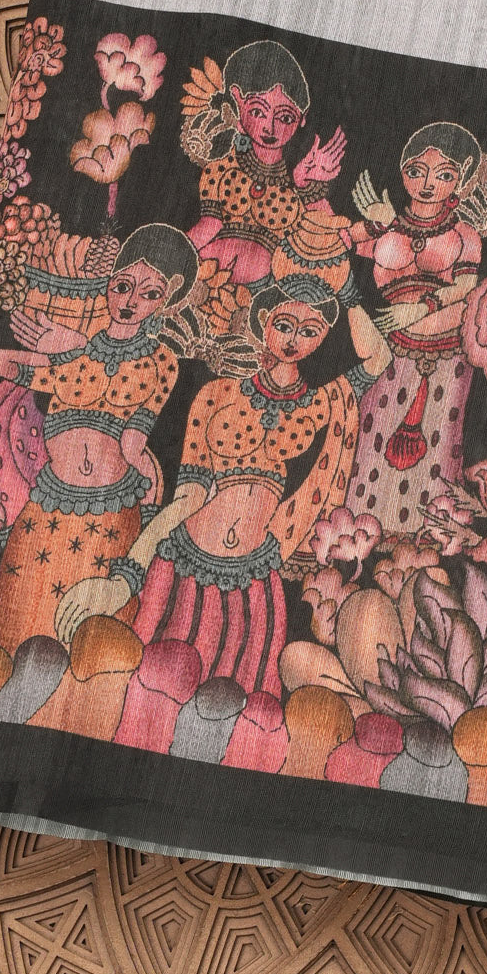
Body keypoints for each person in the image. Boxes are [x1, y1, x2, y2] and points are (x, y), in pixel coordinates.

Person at [55, 274, 390, 698]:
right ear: (263, 322)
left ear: (323, 337)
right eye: (284, 325)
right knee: (143, 688)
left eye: (309, 331)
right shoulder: (217, 393)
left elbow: (379, 355)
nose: (293, 340)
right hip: (181, 570)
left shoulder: (322, 403)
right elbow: (188, 495)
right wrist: (125, 580)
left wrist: (346, 289)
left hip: (254, 580)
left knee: (236, 699)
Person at [0, 223, 199, 653]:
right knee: (18, 625)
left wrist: (152, 504)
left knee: (90, 640)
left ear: (167, 301)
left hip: (111, 516)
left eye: (150, 294)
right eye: (123, 286)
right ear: (108, 284)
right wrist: (63, 348)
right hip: (46, 510)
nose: (130, 302)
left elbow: (134, 442)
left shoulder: (161, 362)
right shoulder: (75, 356)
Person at [345, 122, 487, 536]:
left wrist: (419, 308)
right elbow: (340, 243)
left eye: (444, 174)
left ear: (461, 182)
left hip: (447, 356)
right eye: (417, 171)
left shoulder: (465, 234)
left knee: (437, 445)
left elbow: (465, 287)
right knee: (374, 436)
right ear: (402, 172)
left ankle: (429, 537)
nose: (428, 184)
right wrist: (375, 224)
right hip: (389, 351)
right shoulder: (388, 226)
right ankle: (364, 531)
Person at [184, 40, 346, 287]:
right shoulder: (220, 169)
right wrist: (172, 257)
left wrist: (307, 187)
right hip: (206, 282)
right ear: (238, 105)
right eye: (258, 112)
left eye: (285, 117)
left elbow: (333, 239)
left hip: (270, 292)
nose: (270, 127)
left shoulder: (298, 181)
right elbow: (209, 225)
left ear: (301, 119)